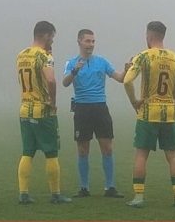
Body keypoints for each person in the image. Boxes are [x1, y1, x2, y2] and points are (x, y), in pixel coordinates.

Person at [123, 21, 175, 208]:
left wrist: (134, 101)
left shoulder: (143, 56)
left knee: (141, 155)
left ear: (148, 35)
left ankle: (139, 198)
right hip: (169, 114)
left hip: (148, 114)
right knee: (173, 156)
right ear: (163, 36)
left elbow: (127, 81)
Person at [61, 29, 125, 198]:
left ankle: (110, 187)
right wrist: (75, 70)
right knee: (83, 150)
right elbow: (65, 83)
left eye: (93, 41)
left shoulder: (102, 62)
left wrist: (128, 69)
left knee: (108, 148)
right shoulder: (71, 63)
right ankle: (84, 188)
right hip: (82, 109)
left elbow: (120, 78)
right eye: (88, 41)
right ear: (79, 42)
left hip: (100, 108)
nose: (91, 45)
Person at [15, 21, 71, 205]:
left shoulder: (21, 55)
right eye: (52, 37)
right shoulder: (44, 56)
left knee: (27, 152)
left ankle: (23, 193)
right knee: (51, 152)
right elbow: (51, 80)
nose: (53, 41)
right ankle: (55, 194)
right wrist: (52, 103)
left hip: (24, 109)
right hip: (42, 109)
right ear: (45, 35)